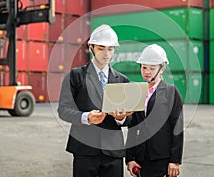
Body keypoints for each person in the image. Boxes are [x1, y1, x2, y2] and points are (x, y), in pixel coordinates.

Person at [57, 24, 132, 177]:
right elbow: (63, 110)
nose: (106, 53)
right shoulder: (75, 76)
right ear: (91, 47)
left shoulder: (122, 80)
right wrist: (86, 117)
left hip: (113, 151)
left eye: (110, 49)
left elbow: (130, 117)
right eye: (101, 48)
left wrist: (121, 118)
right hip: (85, 149)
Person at [126, 44, 184, 177]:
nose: (147, 71)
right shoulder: (137, 92)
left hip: (162, 158)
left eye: (152, 68)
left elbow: (177, 127)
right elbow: (132, 127)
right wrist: (130, 158)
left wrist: (175, 161)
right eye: (144, 67)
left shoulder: (170, 92)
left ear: (162, 68)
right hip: (140, 159)